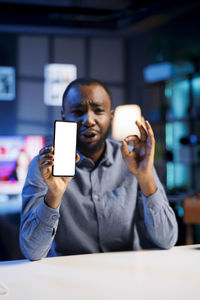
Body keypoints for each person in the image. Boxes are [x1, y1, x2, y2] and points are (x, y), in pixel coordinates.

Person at [20, 78, 178, 261]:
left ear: (111, 117)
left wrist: (145, 177)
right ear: (64, 116)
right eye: (78, 111)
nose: (88, 120)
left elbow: (167, 240)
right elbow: (31, 251)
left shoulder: (133, 160)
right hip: (66, 279)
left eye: (98, 111)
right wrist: (54, 195)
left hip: (125, 275)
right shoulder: (45, 167)